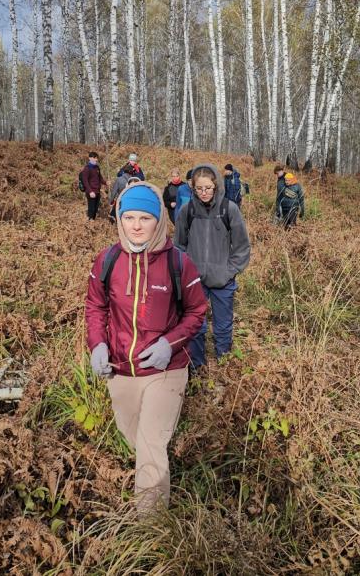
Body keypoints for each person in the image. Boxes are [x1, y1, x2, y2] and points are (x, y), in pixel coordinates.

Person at [85, 183, 208, 513]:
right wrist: (97, 345)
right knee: (135, 440)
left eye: (145, 218)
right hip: (120, 370)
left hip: (166, 370)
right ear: (119, 219)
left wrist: (170, 343)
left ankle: (150, 528)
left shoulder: (179, 263)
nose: (136, 226)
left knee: (151, 444)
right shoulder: (107, 260)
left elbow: (197, 310)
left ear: (159, 221)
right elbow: (95, 306)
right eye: (128, 218)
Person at [173, 164, 251, 371]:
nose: (204, 192)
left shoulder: (229, 209)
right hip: (194, 280)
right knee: (196, 325)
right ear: (193, 188)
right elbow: (178, 245)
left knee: (223, 325)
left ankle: (224, 363)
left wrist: (229, 271)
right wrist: (185, 271)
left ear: (216, 186)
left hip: (222, 280)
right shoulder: (187, 211)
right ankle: (197, 366)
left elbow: (242, 246)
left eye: (208, 188)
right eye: (199, 188)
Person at [79, 152, 105, 221]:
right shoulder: (87, 169)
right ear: (90, 158)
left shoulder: (97, 167)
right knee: (91, 208)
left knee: (96, 208)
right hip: (91, 192)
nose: (96, 159)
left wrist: (105, 183)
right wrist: (90, 191)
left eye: (97, 158)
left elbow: (100, 177)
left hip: (97, 191)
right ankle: (90, 220)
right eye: (94, 158)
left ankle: (93, 220)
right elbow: (85, 181)